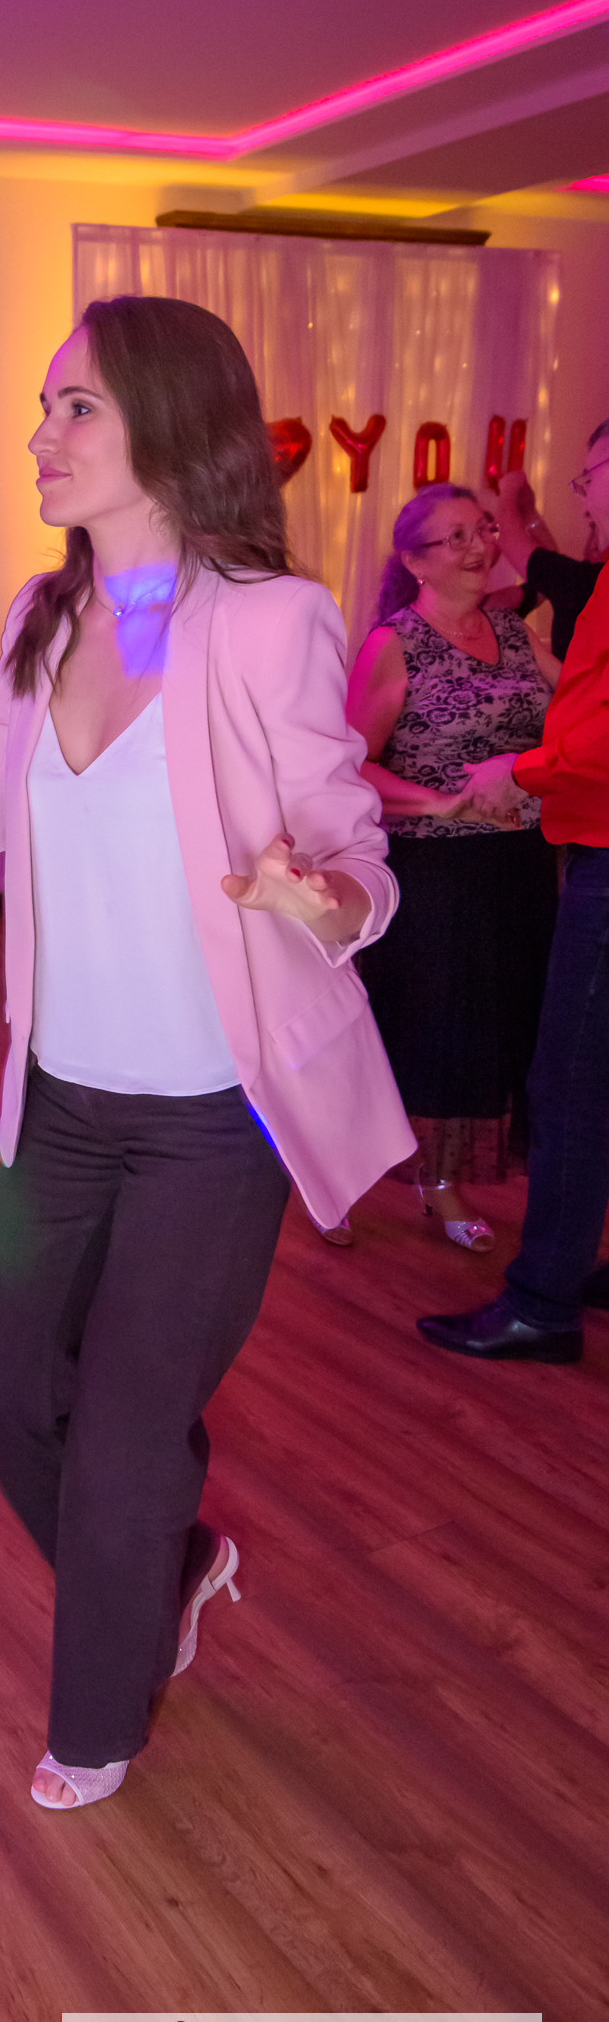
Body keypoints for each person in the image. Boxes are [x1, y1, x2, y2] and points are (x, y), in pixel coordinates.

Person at [0, 294, 409, 1810]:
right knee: (0, 1387)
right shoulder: (39, 619)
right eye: (45, 405)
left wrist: (319, 895)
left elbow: (357, 853)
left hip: (209, 1125)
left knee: (129, 1436)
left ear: (172, 428)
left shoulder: (268, 621)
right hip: (61, 1108)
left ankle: (98, 1716)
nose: (39, 435)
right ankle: (171, 1568)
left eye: (76, 408)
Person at [418, 430, 609, 1364]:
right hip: (485, 865)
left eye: (590, 476)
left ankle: (543, 1303)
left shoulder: (523, 626)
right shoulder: (401, 640)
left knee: (570, 1082)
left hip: (581, 852)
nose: (585, 496)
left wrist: (521, 771)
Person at [344, 485, 556, 1252]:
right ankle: (402, 1180)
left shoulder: (516, 632)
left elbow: (579, 709)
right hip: (437, 871)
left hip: (521, 862)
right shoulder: (394, 642)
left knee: (503, 1024)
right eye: (456, 536)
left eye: (485, 529)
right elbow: (351, 767)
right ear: (415, 561)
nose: (480, 547)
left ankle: (445, 1175)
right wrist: (443, 803)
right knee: (434, 1029)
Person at [484, 418, 609, 666]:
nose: (585, 508)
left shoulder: (587, 584)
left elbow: (538, 564)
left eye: (589, 481)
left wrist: (509, 492)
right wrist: (527, 510)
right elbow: (547, 570)